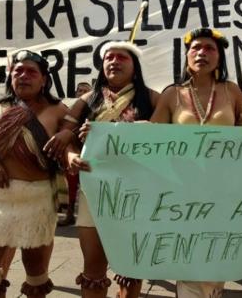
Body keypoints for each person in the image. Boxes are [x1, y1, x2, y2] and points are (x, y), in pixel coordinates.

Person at [0, 50, 84, 297]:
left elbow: (69, 144)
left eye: (32, 72)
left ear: (44, 79)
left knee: (36, 271)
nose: (24, 76)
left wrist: (72, 156)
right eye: (18, 71)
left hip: (37, 199)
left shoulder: (59, 110)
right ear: (10, 76)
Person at [151, 27, 242, 298]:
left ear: (220, 57)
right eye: (196, 48)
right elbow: (149, 137)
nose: (202, 53)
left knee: (216, 257)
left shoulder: (231, 91)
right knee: (189, 259)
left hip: (224, 189)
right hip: (182, 190)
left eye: (210, 49)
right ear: (186, 56)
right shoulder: (172, 94)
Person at [68, 41, 159, 298]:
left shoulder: (152, 98)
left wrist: (134, 129)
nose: (114, 61)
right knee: (93, 269)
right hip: (94, 191)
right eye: (109, 57)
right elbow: (66, 133)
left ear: (135, 67)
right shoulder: (89, 99)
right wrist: (71, 155)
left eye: (122, 57)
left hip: (137, 191)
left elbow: (167, 132)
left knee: (130, 268)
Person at [58, 81, 95, 227]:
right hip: (74, 152)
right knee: (72, 186)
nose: (82, 93)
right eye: (79, 90)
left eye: (85, 90)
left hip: (92, 153)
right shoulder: (70, 110)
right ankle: (70, 214)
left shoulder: (96, 109)